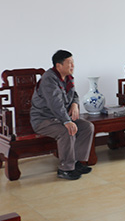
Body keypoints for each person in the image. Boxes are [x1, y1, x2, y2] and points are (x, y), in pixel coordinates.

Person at [30, 50, 95, 180]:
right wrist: (67, 121)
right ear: (58, 66)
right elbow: (56, 104)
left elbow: (74, 95)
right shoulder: (49, 79)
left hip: (60, 118)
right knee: (67, 131)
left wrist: (75, 104)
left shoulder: (68, 78)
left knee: (87, 127)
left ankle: (76, 162)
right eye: (69, 63)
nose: (73, 66)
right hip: (43, 120)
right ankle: (65, 169)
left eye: (73, 62)